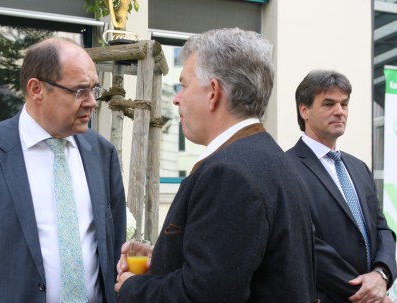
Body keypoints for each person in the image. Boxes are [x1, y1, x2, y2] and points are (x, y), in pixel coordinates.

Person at [115, 27, 316, 302]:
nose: (176, 98)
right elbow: (232, 267)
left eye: (183, 85)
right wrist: (164, 257)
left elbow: (203, 294)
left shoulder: (228, 174)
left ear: (213, 92)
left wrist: (132, 287)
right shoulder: (271, 159)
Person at [0, 37, 126, 302]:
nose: (92, 102)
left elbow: (114, 252)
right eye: (79, 91)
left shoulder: (102, 153)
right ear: (36, 89)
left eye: (94, 90)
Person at [286, 70, 397, 303]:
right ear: (303, 110)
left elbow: (381, 228)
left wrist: (381, 274)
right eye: (328, 104)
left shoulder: (359, 167)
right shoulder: (285, 169)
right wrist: (367, 295)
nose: (339, 111)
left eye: (344, 104)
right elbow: (306, 244)